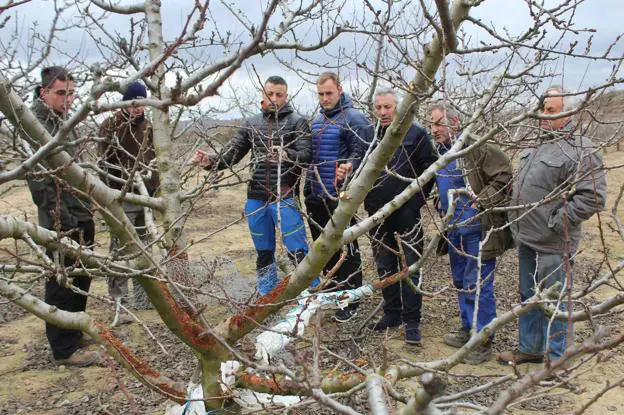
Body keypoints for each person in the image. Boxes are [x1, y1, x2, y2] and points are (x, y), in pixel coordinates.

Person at [498, 86, 607, 365]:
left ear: (569, 112)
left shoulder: (580, 149)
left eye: (551, 111)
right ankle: (530, 349)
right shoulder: (538, 145)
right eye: (543, 110)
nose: (544, 116)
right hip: (527, 238)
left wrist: (557, 221)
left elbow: (593, 197)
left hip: (554, 242)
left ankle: (558, 360)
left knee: (555, 301)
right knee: (528, 296)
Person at [191, 76, 317, 295]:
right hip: (256, 197)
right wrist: (210, 161)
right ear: (263, 94)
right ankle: (267, 294)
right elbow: (232, 154)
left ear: (286, 96)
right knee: (263, 251)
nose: (274, 99)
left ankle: (311, 293)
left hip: (285, 196)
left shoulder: (298, 122)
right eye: (270, 94)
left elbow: (307, 155)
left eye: (279, 95)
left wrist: (286, 154)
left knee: (297, 249)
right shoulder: (251, 123)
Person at [429, 102, 513, 363]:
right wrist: (440, 201)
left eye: (438, 123)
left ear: (455, 123)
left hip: (478, 230)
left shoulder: (479, 147)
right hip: (454, 231)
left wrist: (481, 200)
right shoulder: (443, 152)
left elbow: (504, 177)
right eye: (431, 123)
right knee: (461, 282)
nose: (434, 129)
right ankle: (468, 328)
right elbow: (448, 185)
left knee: (479, 285)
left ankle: (483, 339)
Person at [26, 66, 99, 367]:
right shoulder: (34, 126)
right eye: (60, 93)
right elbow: (40, 183)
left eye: (71, 93)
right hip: (60, 219)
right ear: (44, 92)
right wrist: (62, 220)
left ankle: (74, 331)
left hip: (79, 212)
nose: (67, 99)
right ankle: (64, 349)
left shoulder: (63, 122)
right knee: (61, 281)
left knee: (82, 275)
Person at [365, 89, 437, 344]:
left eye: (388, 107)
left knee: (411, 268)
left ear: (398, 108)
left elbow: (430, 169)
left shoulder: (416, 133)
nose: (383, 113)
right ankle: (392, 313)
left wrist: (415, 202)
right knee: (385, 266)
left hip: (407, 214)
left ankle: (412, 320)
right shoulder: (371, 134)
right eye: (379, 108)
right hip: (377, 215)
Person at [305, 72, 372, 323]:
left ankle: (351, 300)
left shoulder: (354, 119)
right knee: (325, 250)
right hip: (315, 195)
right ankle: (335, 292)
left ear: (340, 90)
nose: (325, 98)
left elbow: (365, 154)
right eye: (321, 94)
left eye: (329, 93)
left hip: (341, 197)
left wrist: (349, 167)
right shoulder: (317, 121)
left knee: (347, 250)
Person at [99, 81, 159, 319]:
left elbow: (156, 159)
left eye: (142, 103)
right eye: (134, 103)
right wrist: (111, 195)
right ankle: (119, 301)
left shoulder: (149, 127)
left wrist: (155, 188)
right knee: (120, 248)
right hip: (121, 195)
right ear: (125, 102)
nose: (138, 108)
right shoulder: (110, 126)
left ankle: (145, 298)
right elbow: (103, 164)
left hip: (147, 198)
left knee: (145, 246)